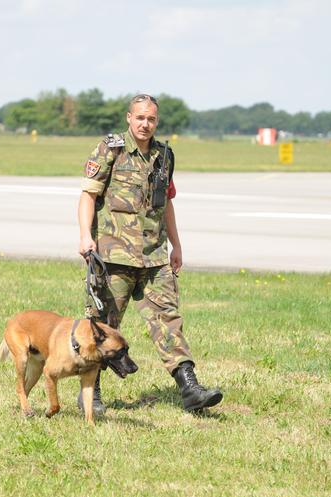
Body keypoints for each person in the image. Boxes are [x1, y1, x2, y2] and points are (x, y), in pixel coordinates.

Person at [77, 93, 223, 415]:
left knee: (168, 320)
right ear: (129, 118)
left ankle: (190, 389)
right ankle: (91, 392)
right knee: (102, 326)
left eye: (151, 119)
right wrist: (85, 236)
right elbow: (88, 195)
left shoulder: (164, 155)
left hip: (154, 257)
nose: (145, 124)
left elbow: (166, 203)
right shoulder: (111, 149)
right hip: (113, 258)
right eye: (140, 117)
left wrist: (176, 245)